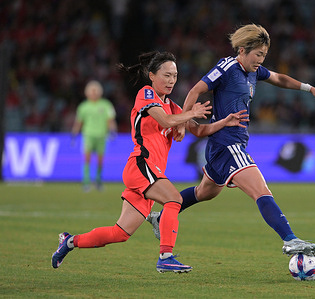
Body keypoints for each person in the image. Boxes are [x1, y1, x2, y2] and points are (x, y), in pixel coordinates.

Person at [52, 51, 249, 273]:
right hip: (140, 164)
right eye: (166, 75)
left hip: (149, 172)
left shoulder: (174, 106)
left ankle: (69, 241)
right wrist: (189, 114)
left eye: (174, 75)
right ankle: (165, 256)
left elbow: (201, 129)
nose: (171, 80)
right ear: (152, 75)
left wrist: (224, 122)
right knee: (174, 199)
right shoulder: (146, 94)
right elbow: (165, 120)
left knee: (120, 233)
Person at [147, 24, 315, 257]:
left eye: (264, 55)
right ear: (243, 50)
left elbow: (279, 78)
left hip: (226, 145)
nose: (261, 60)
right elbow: (196, 90)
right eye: (258, 54)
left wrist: (309, 88)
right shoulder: (226, 67)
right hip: (227, 144)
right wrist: (184, 123)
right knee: (261, 190)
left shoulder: (254, 71)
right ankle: (290, 239)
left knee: (205, 192)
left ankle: (161, 216)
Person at [71, 80, 117, 192]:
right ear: (87, 92)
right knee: (87, 159)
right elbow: (79, 122)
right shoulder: (83, 106)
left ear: (100, 92)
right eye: (92, 91)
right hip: (88, 135)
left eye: (96, 90)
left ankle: (98, 181)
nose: (94, 93)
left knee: (100, 160)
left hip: (102, 135)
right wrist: (74, 134)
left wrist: (113, 131)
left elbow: (110, 120)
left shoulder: (106, 105)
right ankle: (86, 182)